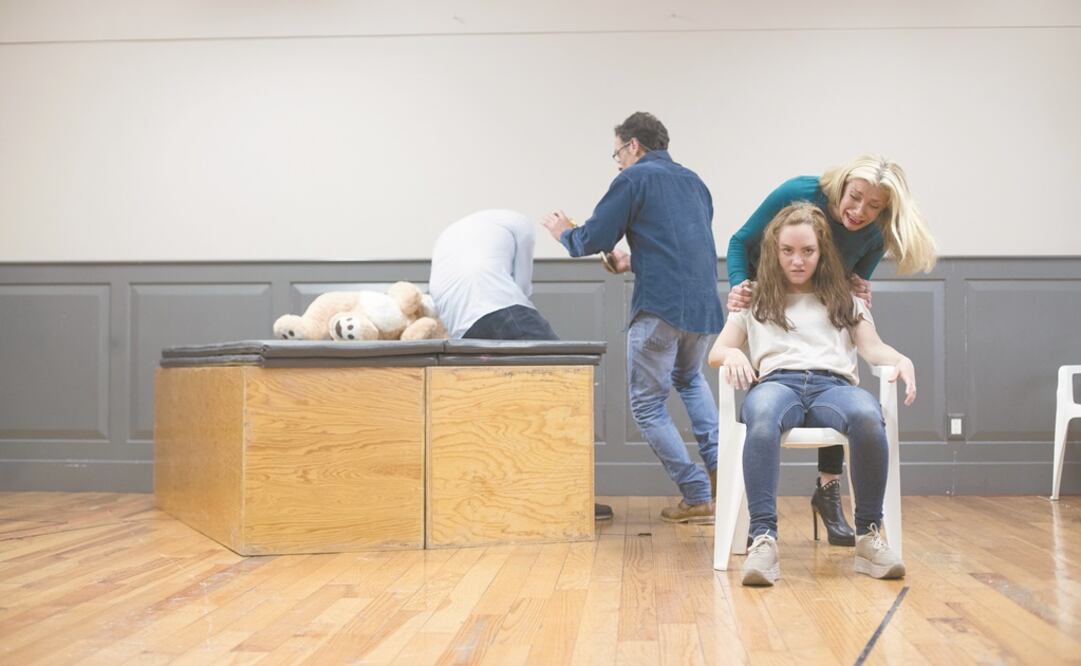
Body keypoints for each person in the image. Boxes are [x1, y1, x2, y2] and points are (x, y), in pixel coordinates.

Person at [725, 155, 935, 546]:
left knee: (857, 404)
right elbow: (740, 242)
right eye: (855, 198)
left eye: (874, 206)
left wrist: (897, 355)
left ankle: (845, 506)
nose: (860, 211)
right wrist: (740, 286)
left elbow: (854, 310)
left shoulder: (874, 235)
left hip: (830, 379)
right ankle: (763, 534)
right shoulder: (800, 193)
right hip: (771, 329)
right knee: (766, 409)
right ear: (842, 187)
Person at [708, 202, 916, 586]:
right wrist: (733, 353)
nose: (797, 260)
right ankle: (763, 538)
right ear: (774, 251)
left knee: (868, 416)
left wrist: (901, 359)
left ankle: (868, 536)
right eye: (787, 251)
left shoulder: (845, 298)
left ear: (822, 252)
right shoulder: (755, 298)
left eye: (807, 251)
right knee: (762, 417)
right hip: (776, 384)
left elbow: (872, 348)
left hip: (833, 387)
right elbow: (717, 351)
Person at [541, 112, 724, 524]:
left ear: (634, 145)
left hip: (659, 308)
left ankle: (697, 494)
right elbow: (682, 250)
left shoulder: (633, 178)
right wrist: (633, 261)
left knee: (647, 406)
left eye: (617, 153)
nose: (618, 162)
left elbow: (591, 238)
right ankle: (721, 474)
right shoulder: (695, 182)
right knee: (690, 379)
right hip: (702, 308)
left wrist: (563, 232)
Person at [429, 209, 614, 521]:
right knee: (562, 395)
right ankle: (570, 499)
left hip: (461, 325)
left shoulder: (452, 235)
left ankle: (509, 498)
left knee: (499, 415)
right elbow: (522, 286)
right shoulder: (519, 223)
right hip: (502, 308)